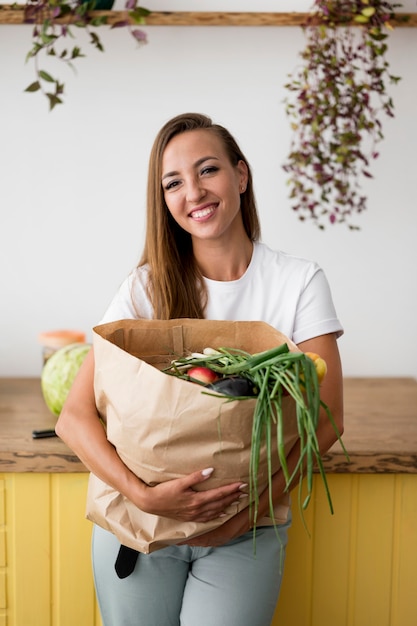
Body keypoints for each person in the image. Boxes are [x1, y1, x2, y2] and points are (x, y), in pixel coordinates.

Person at [56, 112, 344, 626]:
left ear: (241, 175)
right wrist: (143, 493)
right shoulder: (145, 289)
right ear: (164, 201)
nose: (193, 192)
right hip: (140, 525)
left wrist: (241, 517)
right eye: (173, 183)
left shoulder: (298, 282)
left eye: (207, 170)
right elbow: (74, 417)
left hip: (248, 530)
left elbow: (326, 420)